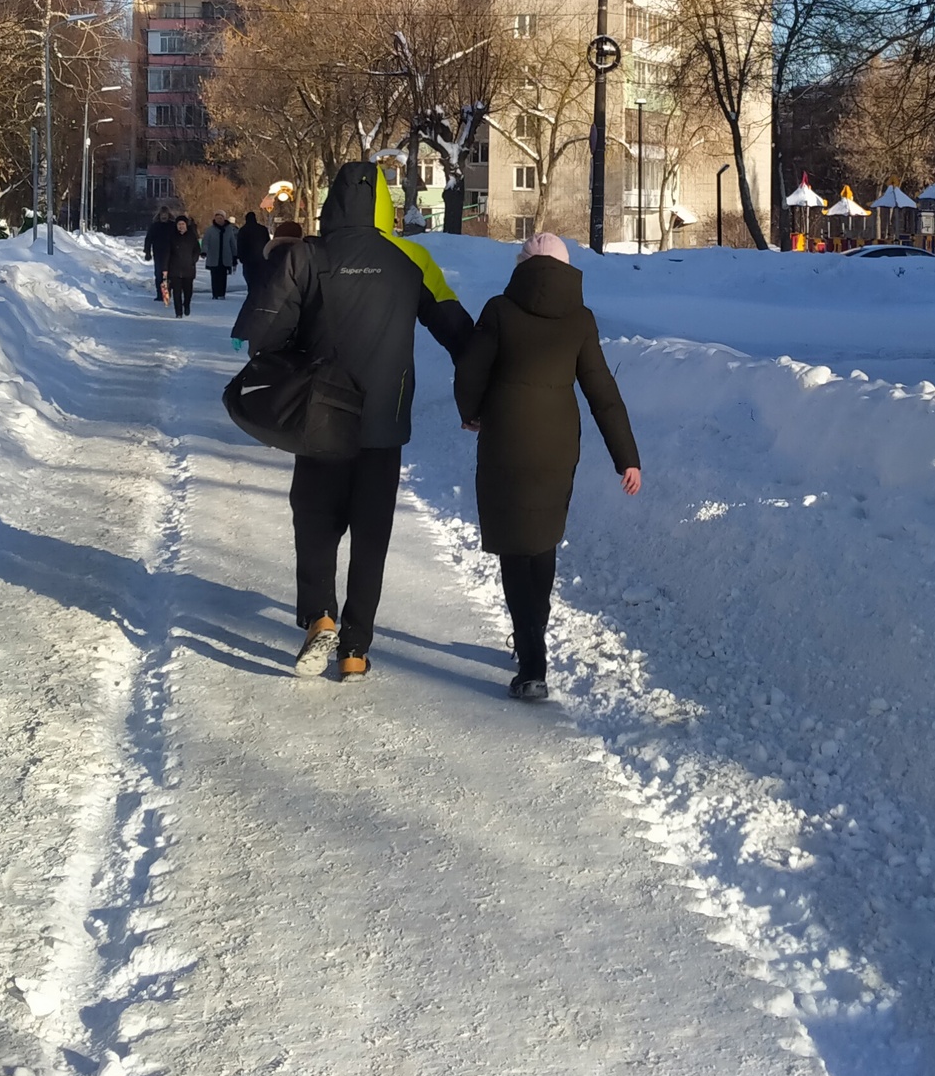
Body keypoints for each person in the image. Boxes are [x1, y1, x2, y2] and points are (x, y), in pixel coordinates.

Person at [235, 164, 472, 681]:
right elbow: (458, 333)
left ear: (331, 203)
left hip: (318, 421)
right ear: (385, 205)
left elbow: (256, 333)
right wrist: (480, 397)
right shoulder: (413, 259)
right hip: (383, 425)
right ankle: (356, 649)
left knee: (314, 521)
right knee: (372, 535)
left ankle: (321, 615)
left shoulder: (307, 255)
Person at [453, 232, 641, 703]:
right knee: (543, 538)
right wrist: (627, 457)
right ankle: (533, 636)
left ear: (523, 266)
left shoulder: (499, 309)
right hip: (558, 444)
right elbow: (602, 393)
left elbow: (470, 371)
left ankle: (531, 659)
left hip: (506, 441)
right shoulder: (580, 320)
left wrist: (471, 412)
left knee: (516, 548)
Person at [166, 212, 202, 317]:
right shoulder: (172, 237)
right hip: (175, 269)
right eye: (179, 224)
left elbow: (197, 250)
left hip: (188, 269)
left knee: (188, 291)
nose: (181, 226)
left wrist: (193, 260)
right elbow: (167, 252)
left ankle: (186, 304)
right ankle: (178, 312)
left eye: (183, 224)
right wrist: (166, 266)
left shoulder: (192, 236)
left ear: (186, 225)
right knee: (176, 292)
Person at [142, 206, 176, 302]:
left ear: (168, 215)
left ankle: (167, 293)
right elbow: (148, 239)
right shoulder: (155, 226)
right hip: (159, 254)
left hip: (171, 254)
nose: (164, 216)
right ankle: (161, 294)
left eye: (165, 215)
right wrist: (147, 252)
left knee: (168, 275)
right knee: (159, 274)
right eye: (162, 215)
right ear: (159, 215)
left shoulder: (172, 226)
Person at [205, 212, 240, 300]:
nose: (219, 220)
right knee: (214, 276)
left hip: (225, 256)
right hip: (213, 256)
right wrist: (204, 251)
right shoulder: (210, 230)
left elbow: (232, 243)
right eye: (217, 218)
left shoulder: (229, 230)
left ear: (224, 219)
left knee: (223, 276)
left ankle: (221, 293)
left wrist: (235, 255)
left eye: (221, 218)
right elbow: (205, 242)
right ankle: (215, 293)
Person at [235, 211, 271, 288]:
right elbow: (268, 243)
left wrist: (240, 256)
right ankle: (258, 291)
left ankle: (251, 291)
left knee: (249, 277)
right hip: (261, 258)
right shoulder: (262, 229)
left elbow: (240, 244)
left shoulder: (243, 230)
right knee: (259, 277)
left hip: (248, 259)